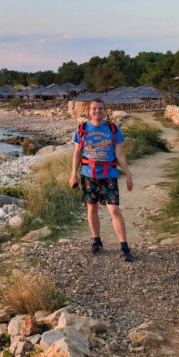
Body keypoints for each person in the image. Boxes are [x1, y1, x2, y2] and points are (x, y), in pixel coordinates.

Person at [69, 99, 135, 261]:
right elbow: (77, 153)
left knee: (114, 210)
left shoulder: (113, 129)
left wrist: (128, 174)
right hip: (88, 174)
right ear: (89, 111)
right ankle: (97, 241)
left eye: (100, 108)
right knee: (91, 209)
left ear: (104, 110)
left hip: (109, 175)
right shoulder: (82, 129)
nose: (97, 111)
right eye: (94, 108)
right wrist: (73, 174)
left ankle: (124, 246)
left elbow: (119, 153)